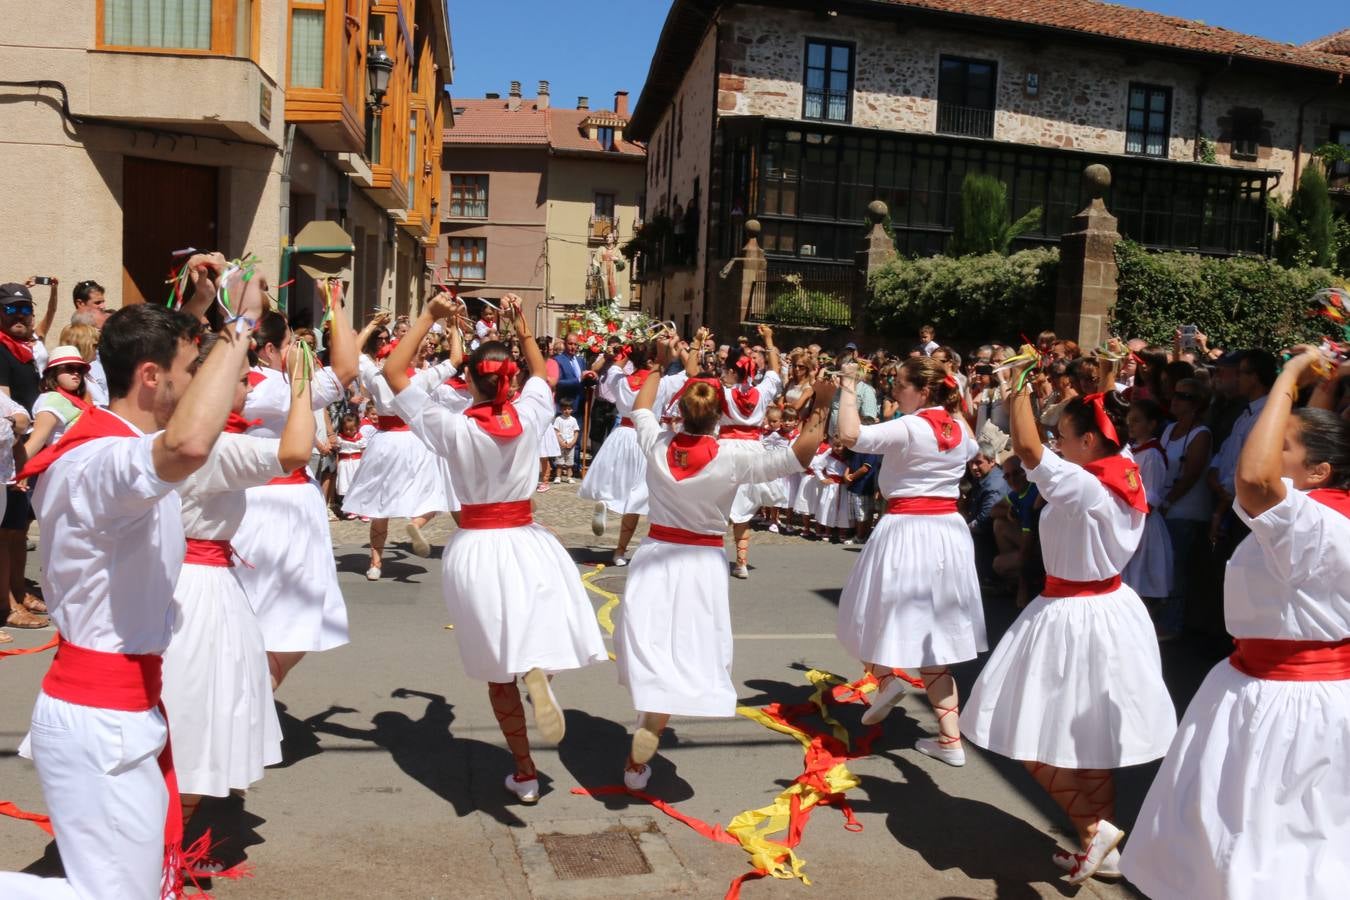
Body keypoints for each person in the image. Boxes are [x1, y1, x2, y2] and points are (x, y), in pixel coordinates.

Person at [0, 271, 264, 899]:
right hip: (101, 714)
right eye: (190, 370)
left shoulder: (111, 441)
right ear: (150, 378)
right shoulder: (101, 460)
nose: (202, 382)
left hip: (118, 708)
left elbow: (155, 377)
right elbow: (191, 442)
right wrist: (241, 327)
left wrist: (197, 306)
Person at [1120, 349, 1350, 900]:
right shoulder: (1320, 508)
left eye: (1282, 445)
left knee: (1266, 843)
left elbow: (1252, 479)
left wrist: (1290, 377)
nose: (1267, 450)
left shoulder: (1313, 523)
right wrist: (1327, 383)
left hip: (1288, 703)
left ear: (1318, 471)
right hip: (1272, 688)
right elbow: (1304, 452)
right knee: (1264, 836)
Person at [384, 292, 607, 805]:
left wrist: (430, 318)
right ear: (510, 381)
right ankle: (540, 674)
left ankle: (525, 771)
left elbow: (396, 373)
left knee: (494, 664)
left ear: (468, 381)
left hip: (477, 547)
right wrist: (524, 330)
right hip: (530, 541)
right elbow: (542, 377)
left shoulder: (453, 424)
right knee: (531, 635)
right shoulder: (530, 414)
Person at [962, 360, 1177, 883]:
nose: (1057, 445)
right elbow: (1104, 420)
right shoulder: (1121, 467)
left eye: (1065, 437)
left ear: (1087, 444)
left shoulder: (1084, 487)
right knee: (1090, 740)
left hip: (1071, 615)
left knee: (1027, 731)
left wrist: (1015, 391)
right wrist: (1104, 381)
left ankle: (1090, 826)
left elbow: (1029, 451)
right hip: (1111, 609)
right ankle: (1097, 842)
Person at [616, 369, 836, 790]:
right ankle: (644, 739)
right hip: (699, 563)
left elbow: (641, 407)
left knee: (652, 646)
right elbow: (799, 455)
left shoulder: (657, 442)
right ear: (719, 416)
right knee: (687, 649)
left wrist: (659, 365)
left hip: (654, 557)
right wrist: (821, 404)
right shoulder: (733, 455)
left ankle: (646, 728)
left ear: (679, 413)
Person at [161, 330, 315, 827]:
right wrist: (301, 383)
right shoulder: (216, 448)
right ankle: (167, 846)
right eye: (242, 379)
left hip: (161, 577)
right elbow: (295, 452)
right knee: (197, 711)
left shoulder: (161, 436)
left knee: (171, 707)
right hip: (201, 589)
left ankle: (158, 838)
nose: (249, 388)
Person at [836, 357, 986, 765]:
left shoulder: (910, 426)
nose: (892, 390)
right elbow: (969, 441)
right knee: (933, 634)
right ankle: (950, 739)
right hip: (947, 532)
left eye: (899, 384)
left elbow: (850, 434)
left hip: (907, 528)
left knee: (869, 609)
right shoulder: (958, 429)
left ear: (922, 391)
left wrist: (848, 384)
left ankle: (885, 680)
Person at [232, 290, 360, 691]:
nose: (298, 350)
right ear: (269, 349)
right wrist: (334, 303)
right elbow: (346, 367)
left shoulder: (228, 384)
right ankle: (252, 698)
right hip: (283, 507)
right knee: (297, 614)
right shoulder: (277, 387)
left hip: (241, 502)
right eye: (290, 344)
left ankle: (247, 693)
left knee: (253, 610)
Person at [342, 318, 456, 580]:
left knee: (379, 505)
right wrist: (455, 329)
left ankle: (375, 564)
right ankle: (415, 523)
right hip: (414, 441)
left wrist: (370, 326)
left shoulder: (375, 376)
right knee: (432, 495)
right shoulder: (419, 379)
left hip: (384, 441)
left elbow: (354, 353)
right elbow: (455, 360)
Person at [580, 336, 693, 565]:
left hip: (622, 435)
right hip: (647, 436)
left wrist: (622, 353)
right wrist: (682, 349)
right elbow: (691, 371)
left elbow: (615, 367)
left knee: (618, 481)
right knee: (637, 494)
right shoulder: (663, 383)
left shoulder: (620, 380)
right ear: (653, 361)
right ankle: (619, 551)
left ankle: (607, 502)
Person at [720, 324, 783, 578]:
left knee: (718, 506)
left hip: (725, 449)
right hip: (753, 451)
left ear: (733, 371)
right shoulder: (762, 390)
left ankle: (706, 556)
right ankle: (742, 563)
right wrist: (769, 339)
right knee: (743, 509)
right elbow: (775, 372)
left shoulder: (722, 392)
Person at [0, 283, 45, 633]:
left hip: (28, 449)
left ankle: (18, 589)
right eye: (11, 309)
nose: (20, 315)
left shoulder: (23, 351)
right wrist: (18, 457)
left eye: (25, 308)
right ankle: (8, 604)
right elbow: (7, 409)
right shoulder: (1, 350)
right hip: (13, 452)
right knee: (6, 532)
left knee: (18, 529)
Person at [1156, 377, 1215, 640]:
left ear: (1197, 404)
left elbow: (1191, 474)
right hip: (1165, 507)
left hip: (1185, 511)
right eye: (1175, 394)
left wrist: (1168, 502)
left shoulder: (1201, 434)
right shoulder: (1169, 430)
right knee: (1164, 566)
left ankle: (1172, 624)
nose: (1175, 399)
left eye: (1184, 396)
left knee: (1177, 568)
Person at [1121, 399, 1174, 609]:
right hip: (1132, 519)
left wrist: (1131, 519)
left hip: (1143, 523)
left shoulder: (1152, 454)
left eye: (1136, 421)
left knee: (1142, 579)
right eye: (1129, 421)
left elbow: (1151, 494)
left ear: (1151, 425)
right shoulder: (1134, 451)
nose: (1131, 425)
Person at [23, 346, 91, 454]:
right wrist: (12, 470)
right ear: (53, 373)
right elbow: (36, 442)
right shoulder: (52, 399)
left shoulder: (74, 400)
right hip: (66, 466)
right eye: (69, 368)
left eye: (80, 369)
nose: (76, 373)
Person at [334, 412, 367, 513]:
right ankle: (350, 509)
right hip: (344, 464)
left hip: (357, 463)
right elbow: (337, 452)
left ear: (357, 427)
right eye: (346, 429)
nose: (348, 431)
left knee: (358, 485)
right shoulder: (340, 439)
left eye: (351, 429)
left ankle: (361, 509)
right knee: (346, 485)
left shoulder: (360, 439)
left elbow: (364, 450)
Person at [553, 402, 580, 482]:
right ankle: (558, 477)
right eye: (564, 409)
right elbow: (556, 431)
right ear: (561, 409)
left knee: (570, 462)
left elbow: (576, 431)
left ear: (572, 410)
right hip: (561, 444)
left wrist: (573, 442)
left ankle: (569, 477)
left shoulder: (573, 420)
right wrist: (561, 442)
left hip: (570, 444)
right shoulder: (558, 419)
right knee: (559, 461)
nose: (566, 411)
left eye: (569, 409)